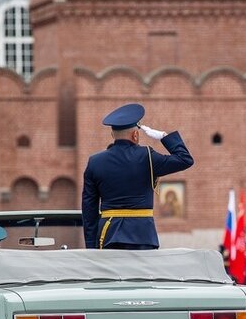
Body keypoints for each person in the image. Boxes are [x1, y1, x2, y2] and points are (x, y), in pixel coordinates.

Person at [81, 103, 194, 250]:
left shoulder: (95, 162)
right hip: (143, 235)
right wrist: (164, 136)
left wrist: (91, 246)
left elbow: (89, 208)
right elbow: (185, 159)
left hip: (108, 235)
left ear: (112, 135)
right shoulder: (147, 156)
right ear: (136, 135)